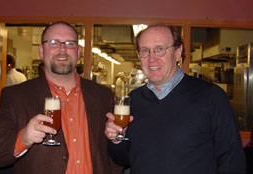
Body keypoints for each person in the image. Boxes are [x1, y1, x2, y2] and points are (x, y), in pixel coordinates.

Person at [0, 22, 122, 174]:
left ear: (78, 52)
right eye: (53, 43)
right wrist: (24, 138)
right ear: (41, 51)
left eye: (70, 43)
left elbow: (113, 154)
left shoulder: (102, 95)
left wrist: (117, 141)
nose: (62, 49)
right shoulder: (17, 96)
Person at [105, 25, 246, 174]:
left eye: (160, 49)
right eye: (145, 51)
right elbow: (123, 160)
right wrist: (117, 140)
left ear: (178, 52)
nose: (152, 59)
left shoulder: (211, 96)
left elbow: (232, 160)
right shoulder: (132, 100)